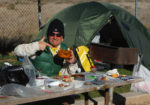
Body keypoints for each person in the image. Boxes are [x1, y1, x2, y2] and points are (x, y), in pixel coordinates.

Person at [14, 19, 78, 105]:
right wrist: (35, 46)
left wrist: (72, 63)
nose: (55, 37)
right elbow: (17, 51)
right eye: (52, 34)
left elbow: (66, 74)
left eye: (58, 35)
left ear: (62, 38)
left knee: (69, 100)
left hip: (55, 88)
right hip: (36, 89)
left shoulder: (65, 50)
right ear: (48, 35)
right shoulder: (39, 45)